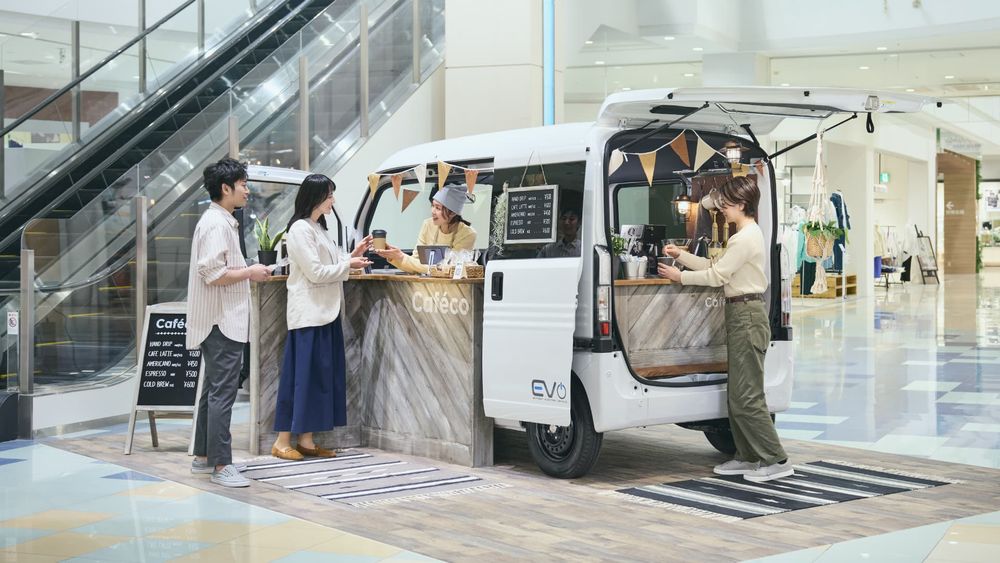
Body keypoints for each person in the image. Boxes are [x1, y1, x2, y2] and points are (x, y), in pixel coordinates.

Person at [658, 176, 792, 483]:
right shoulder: (743, 235)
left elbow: (717, 276)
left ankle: (776, 459)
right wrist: (682, 257)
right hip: (740, 314)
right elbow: (713, 266)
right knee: (737, 393)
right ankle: (748, 456)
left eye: (727, 205)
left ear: (742, 205)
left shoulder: (745, 238)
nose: (722, 210)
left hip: (746, 315)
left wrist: (680, 278)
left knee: (747, 395)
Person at [271, 174, 372, 461]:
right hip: (308, 316)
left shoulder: (317, 228)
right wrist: (348, 264)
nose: (333, 201)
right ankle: (281, 441)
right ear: (316, 197)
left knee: (318, 379)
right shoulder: (300, 230)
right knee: (300, 379)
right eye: (329, 195)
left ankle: (306, 439)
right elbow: (315, 272)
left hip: (326, 312)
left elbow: (331, 264)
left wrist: (353, 255)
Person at [186, 157, 271, 488]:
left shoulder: (219, 221)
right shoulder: (217, 224)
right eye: (243, 185)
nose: (247, 191)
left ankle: (204, 457)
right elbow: (211, 273)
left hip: (218, 320)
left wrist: (246, 268)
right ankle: (222, 465)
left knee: (213, 390)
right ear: (226, 188)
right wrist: (250, 272)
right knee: (222, 393)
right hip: (221, 321)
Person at [375, 184, 476, 273]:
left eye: (438, 208)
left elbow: (448, 270)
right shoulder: (427, 225)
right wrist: (394, 256)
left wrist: (402, 256)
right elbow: (414, 262)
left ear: (453, 213)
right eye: (432, 206)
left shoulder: (467, 234)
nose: (432, 211)